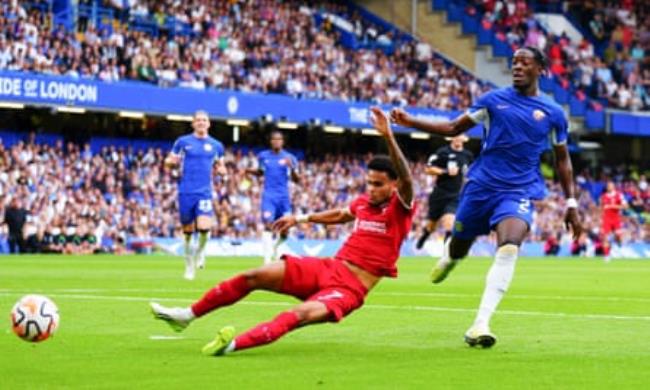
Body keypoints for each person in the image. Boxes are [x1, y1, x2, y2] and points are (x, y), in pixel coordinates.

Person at [150, 107, 415, 356]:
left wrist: (389, 136)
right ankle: (186, 316)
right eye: (368, 183)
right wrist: (299, 218)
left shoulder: (400, 206)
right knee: (254, 275)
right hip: (328, 268)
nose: (371, 189)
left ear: (394, 185)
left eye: (378, 184)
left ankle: (231, 345)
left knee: (298, 315)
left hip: (350, 289)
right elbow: (340, 214)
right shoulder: (363, 203)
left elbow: (407, 178)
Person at [391, 46, 582, 348]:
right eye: (514, 62)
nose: (517, 67)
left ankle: (480, 323)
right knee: (459, 247)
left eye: (525, 62)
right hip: (480, 187)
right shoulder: (493, 101)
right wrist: (411, 122)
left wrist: (571, 203)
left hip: (518, 191)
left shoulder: (554, 113)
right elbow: (453, 127)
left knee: (509, 247)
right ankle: (450, 256)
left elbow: (562, 159)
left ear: (541, 70)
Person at [165, 110, 226, 280]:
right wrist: (169, 162)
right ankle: (188, 265)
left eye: (204, 120)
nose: (201, 122)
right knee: (188, 233)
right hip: (186, 192)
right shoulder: (183, 142)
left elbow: (221, 166)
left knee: (205, 229)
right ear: (193, 123)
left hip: (204, 192)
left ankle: (200, 252)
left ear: (209, 123)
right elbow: (170, 161)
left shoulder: (216, 145)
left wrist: (222, 170)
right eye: (198, 120)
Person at [247, 131, 300, 264]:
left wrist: (292, 168)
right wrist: (249, 171)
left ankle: (276, 247)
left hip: (283, 197)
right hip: (269, 196)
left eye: (279, 139)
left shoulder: (290, 158)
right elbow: (260, 172)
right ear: (271, 141)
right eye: (274, 139)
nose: (277, 141)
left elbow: (297, 180)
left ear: (282, 142)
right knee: (268, 225)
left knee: (285, 230)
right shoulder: (263, 156)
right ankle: (266, 259)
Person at [416, 135, 473, 250]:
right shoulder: (443, 152)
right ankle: (425, 235)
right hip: (439, 194)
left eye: (460, 136)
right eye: (455, 135)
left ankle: (447, 253)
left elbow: (471, 172)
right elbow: (428, 169)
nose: (457, 138)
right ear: (451, 138)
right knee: (432, 224)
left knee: (450, 223)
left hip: (455, 195)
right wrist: (445, 171)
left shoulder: (468, 155)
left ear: (464, 138)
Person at [600, 180, 626, 251]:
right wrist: (601, 217)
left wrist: (612, 206)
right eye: (608, 186)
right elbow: (601, 208)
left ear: (614, 187)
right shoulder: (603, 196)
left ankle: (619, 242)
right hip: (606, 219)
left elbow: (625, 206)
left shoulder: (619, 195)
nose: (609, 187)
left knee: (618, 236)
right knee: (605, 237)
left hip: (615, 218)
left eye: (610, 186)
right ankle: (606, 257)